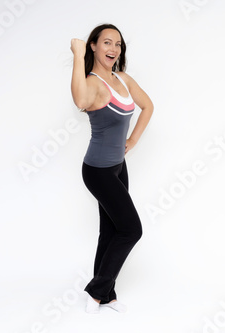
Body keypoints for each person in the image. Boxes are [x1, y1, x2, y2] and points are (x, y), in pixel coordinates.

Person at [70, 23, 153, 314]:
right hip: (98, 171)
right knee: (132, 229)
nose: (113, 49)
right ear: (94, 45)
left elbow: (148, 106)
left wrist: (132, 140)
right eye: (107, 42)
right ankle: (95, 292)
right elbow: (80, 100)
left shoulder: (123, 78)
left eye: (118, 44)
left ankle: (106, 295)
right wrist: (77, 55)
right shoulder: (92, 83)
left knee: (111, 232)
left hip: (119, 167)